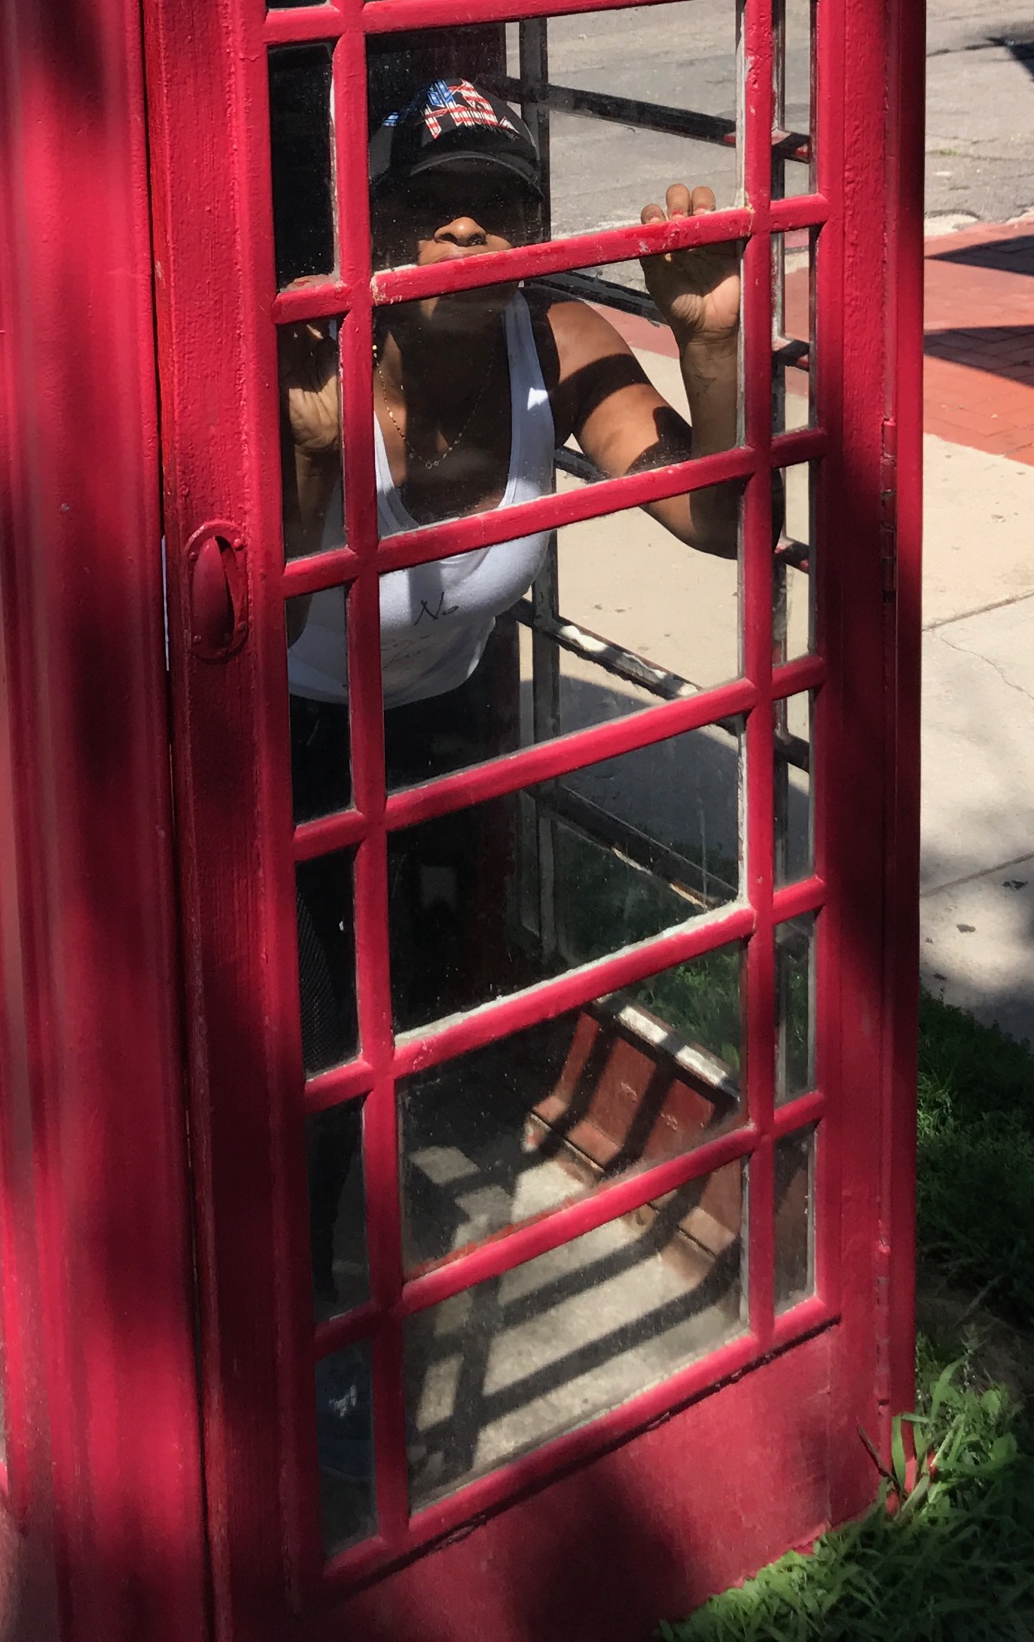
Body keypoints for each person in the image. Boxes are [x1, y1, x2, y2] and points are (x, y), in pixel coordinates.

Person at [280, 80, 741, 1315]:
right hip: (291, 739)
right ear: (381, 231)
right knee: (321, 1055)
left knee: (426, 1003)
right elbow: (256, 618)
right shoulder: (322, 361)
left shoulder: (549, 338)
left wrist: (704, 346)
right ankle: (323, 1309)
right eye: (441, 209)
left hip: (448, 722)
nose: (475, 233)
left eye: (502, 205)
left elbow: (717, 517)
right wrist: (314, 462)